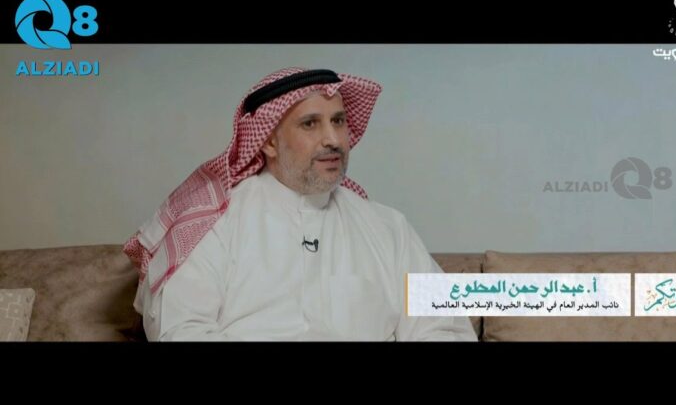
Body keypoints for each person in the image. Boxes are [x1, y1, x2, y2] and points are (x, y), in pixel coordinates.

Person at [124, 67, 477, 341]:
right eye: (310, 124)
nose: (333, 139)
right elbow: (180, 330)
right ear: (269, 142)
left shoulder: (388, 227)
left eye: (338, 121)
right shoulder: (214, 222)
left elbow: (446, 327)